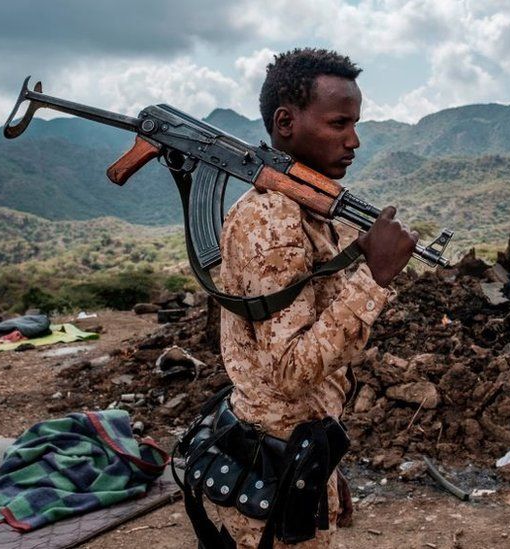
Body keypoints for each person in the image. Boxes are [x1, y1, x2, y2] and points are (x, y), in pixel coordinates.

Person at [206, 48, 418, 547]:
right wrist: (375, 279)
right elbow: (291, 370)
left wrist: (325, 461)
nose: (354, 140)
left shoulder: (308, 209)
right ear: (286, 122)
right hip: (272, 470)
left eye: (355, 123)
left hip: (295, 452)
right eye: (339, 124)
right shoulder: (271, 218)